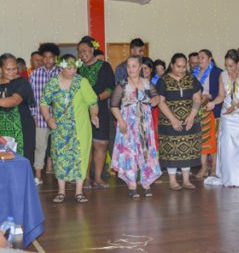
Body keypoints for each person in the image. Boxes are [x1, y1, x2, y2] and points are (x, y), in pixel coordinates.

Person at [40, 55, 99, 203]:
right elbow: (44, 103)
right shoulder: (52, 83)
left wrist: (94, 115)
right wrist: (48, 118)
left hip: (80, 128)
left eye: (75, 68)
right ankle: (61, 192)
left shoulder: (81, 82)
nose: (73, 71)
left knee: (80, 157)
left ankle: (79, 192)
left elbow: (93, 102)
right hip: (59, 128)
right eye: (69, 68)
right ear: (61, 67)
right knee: (60, 157)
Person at [206, 49, 239, 187]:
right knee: (228, 146)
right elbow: (221, 96)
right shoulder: (222, 76)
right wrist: (213, 103)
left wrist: (235, 107)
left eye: (231, 66)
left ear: (238, 63)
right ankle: (229, 179)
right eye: (226, 65)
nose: (228, 69)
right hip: (227, 116)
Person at [111, 56, 161, 198]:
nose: (131, 69)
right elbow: (114, 106)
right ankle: (131, 184)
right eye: (128, 66)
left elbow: (157, 97)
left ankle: (146, 182)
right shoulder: (122, 84)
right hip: (128, 122)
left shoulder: (147, 83)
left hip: (145, 123)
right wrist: (121, 122)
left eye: (134, 66)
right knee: (129, 152)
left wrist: (155, 100)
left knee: (146, 150)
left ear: (140, 68)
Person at [156, 53, 202, 190]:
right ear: (172, 65)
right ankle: (172, 181)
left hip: (189, 121)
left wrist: (191, 116)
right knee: (172, 151)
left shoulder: (191, 79)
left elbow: (197, 98)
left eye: (184, 66)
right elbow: (160, 101)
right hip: (169, 122)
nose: (181, 69)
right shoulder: (163, 80)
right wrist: (173, 119)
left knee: (187, 150)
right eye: (178, 66)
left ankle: (186, 180)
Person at [78, 36, 115, 188]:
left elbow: (110, 89)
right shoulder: (77, 68)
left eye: (85, 50)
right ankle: (85, 178)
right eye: (79, 52)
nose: (82, 54)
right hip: (81, 112)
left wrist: (94, 98)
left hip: (100, 110)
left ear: (92, 49)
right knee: (85, 146)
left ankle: (98, 178)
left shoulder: (104, 66)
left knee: (100, 144)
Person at [30, 43, 61, 185]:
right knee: (40, 147)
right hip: (40, 119)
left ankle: (62, 176)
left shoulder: (61, 73)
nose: (48, 60)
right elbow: (31, 98)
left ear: (55, 58)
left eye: (51, 58)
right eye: (45, 57)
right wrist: (34, 115)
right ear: (42, 58)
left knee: (59, 147)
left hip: (58, 119)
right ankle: (38, 176)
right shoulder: (35, 74)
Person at [0, 53, 35, 163]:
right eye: (8, 69)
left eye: (14, 69)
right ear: (0, 68)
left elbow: (14, 101)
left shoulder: (22, 83)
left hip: (22, 128)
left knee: (22, 159)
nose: (12, 72)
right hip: (2, 128)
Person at [194, 49, 222, 178]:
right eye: (198, 58)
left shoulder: (217, 72)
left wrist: (208, 96)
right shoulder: (194, 73)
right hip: (199, 111)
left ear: (210, 59)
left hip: (212, 110)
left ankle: (215, 167)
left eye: (203, 57)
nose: (200, 60)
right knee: (202, 141)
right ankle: (204, 167)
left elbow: (221, 93)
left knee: (213, 140)